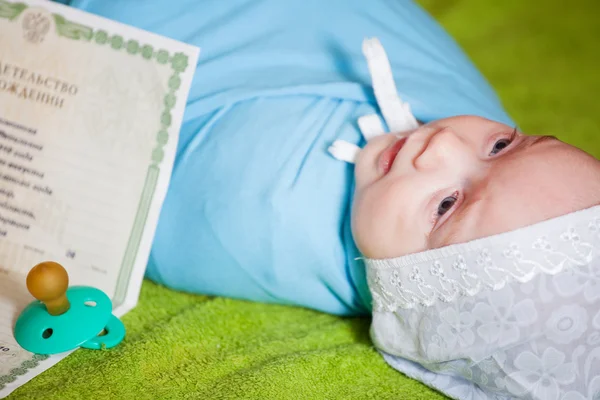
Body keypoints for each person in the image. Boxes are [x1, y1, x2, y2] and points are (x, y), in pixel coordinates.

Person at [348, 39, 600, 400]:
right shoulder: (451, 101)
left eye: (446, 205)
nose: (443, 142)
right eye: (502, 145)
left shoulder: (282, 231)